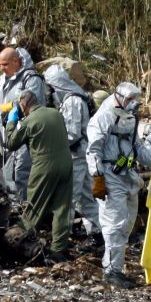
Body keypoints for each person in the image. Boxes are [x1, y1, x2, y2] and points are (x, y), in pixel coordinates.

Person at [86, 82, 151, 288]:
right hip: (109, 174)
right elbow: (93, 149)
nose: (134, 103)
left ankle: (115, 266)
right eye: (130, 99)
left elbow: (137, 145)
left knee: (127, 223)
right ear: (120, 98)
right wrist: (97, 177)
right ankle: (112, 272)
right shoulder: (103, 117)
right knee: (114, 223)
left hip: (128, 174)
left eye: (136, 99)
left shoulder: (130, 118)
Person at [3, 90, 73, 260]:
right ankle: (58, 249)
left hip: (44, 167)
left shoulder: (29, 121)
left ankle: (16, 244)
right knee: (62, 208)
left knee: (34, 207)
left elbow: (11, 143)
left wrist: (12, 120)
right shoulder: (55, 113)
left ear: (23, 104)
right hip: (66, 164)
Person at [43, 64, 101, 238]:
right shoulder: (74, 98)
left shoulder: (72, 101)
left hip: (76, 156)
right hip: (81, 154)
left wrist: (53, 145)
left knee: (68, 198)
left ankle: (62, 237)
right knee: (86, 198)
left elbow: (72, 133)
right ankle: (97, 232)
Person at [0, 47, 47, 200]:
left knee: (22, 174)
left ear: (16, 61)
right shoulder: (4, 79)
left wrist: (10, 106)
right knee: (7, 174)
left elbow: (30, 103)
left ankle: (27, 213)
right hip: (8, 135)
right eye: (0, 64)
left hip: (25, 136)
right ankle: (14, 211)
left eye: (5, 64)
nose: (1, 68)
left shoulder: (31, 79)